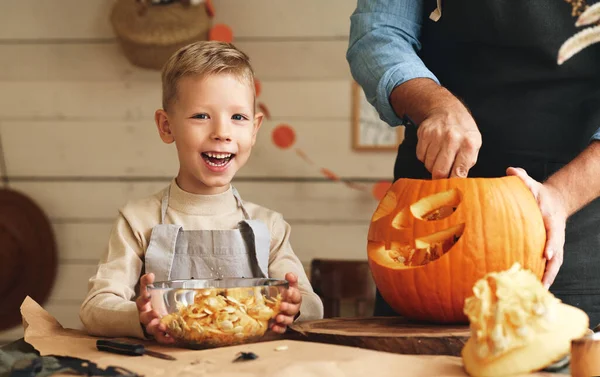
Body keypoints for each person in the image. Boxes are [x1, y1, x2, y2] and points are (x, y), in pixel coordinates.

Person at [347, 0, 600, 326]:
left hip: (578, 203)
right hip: (433, 186)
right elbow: (378, 32)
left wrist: (563, 196)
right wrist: (434, 103)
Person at [79, 41, 324, 343]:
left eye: (238, 117)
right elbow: (95, 308)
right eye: (201, 116)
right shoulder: (138, 220)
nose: (222, 132)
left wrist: (295, 307)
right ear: (166, 126)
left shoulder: (268, 226)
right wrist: (139, 318)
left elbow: (311, 304)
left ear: (254, 129)